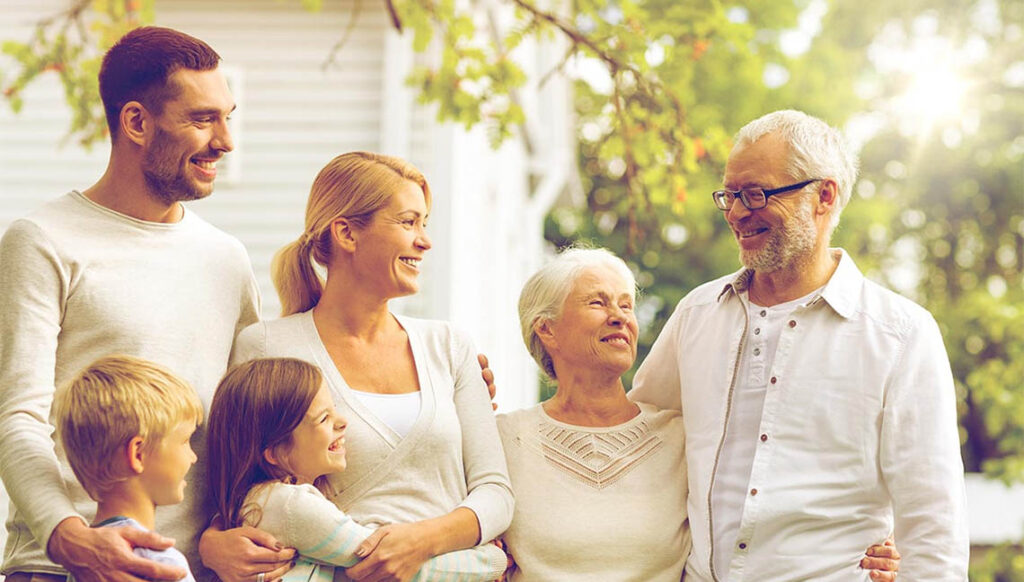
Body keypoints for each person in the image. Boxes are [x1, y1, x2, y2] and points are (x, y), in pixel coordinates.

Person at [0, 26, 293, 582]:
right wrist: (70, 538)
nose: (226, 140)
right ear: (136, 122)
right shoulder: (42, 240)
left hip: (186, 570)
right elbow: (18, 414)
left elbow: (249, 419)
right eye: (203, 119)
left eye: (228, 115)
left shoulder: (224, 257)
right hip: (62, 569)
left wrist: (437, 376)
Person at [630, 109, 968, 580]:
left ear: (823, 196)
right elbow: (633, 440)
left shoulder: (901, 335)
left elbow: (933, 523)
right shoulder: (696, 313)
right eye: (728, 195)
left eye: (754, 194)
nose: (735, 213)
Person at [499, 246, 900, 581]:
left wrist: (869, 548)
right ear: (546, 330)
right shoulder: (503, 439)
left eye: (626, 304)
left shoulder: (680, 437)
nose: (620, 316)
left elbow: (776, 499)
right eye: (597, 302)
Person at [226, 152, 514, 582]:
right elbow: (237, 489)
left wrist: (420, 542)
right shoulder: (267, 346)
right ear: (346, 232)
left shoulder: (448, 346)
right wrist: (215, 542)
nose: (425, 241)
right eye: (407, 222)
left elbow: (496, 493)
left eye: (425, 223)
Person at [206, 357, 509, 582]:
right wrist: (491, 560)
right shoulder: (291, 505)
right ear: (274, 453)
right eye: (324, 419)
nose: (342, 421)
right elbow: (385, 560)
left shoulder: (263, 503)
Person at [54, 355, 205, 582]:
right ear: (138, 454)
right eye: (185, 440)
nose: (193, 456)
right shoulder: (159, 563)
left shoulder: (85, 565)